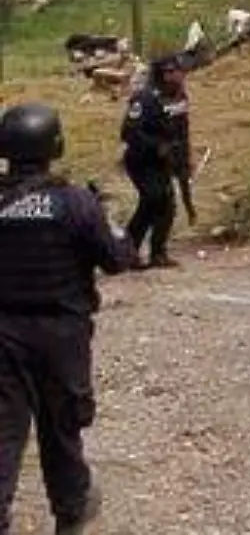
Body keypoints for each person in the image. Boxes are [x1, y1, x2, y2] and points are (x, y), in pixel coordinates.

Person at [0, 102, 136, 534]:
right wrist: (109, 218)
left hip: (4, 334)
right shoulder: (75, 202)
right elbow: (118, 259)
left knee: (4, 433)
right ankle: (71, 511)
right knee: (61, 429)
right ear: (55, 145)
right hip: (62, 334)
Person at [120, 53, 191, 270]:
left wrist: (184, 159)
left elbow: (182, 130)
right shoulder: (146, 98)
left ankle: (158, 253)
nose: (174, 76)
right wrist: (156, 146)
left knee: (167, 205)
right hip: (141, 160)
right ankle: (127, 252)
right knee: (152, 199)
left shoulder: (179, 97)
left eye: (176, 71)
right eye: (168, 72)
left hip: (165, 160)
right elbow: (128, 132)